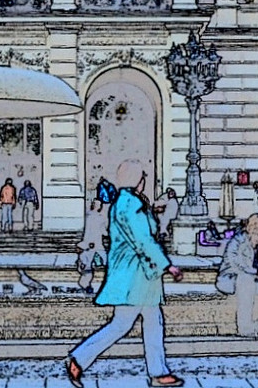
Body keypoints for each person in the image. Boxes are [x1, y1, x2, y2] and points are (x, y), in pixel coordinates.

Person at [65, 160, 184, 388]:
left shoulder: (125, 202)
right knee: (125, 324)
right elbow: (143, 239)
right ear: (138, 180)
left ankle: (158, 372)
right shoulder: (132, 205)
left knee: (148, 321)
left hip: (137, 274)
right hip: (137, 275)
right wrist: (167, 265)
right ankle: (79, 358)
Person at [217, 212, 258, 337]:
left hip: (256, 280)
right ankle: (245, 327)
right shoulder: (237, 242)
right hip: (231, 279)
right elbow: (237, 265)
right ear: (255, 231)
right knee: (246, 280)